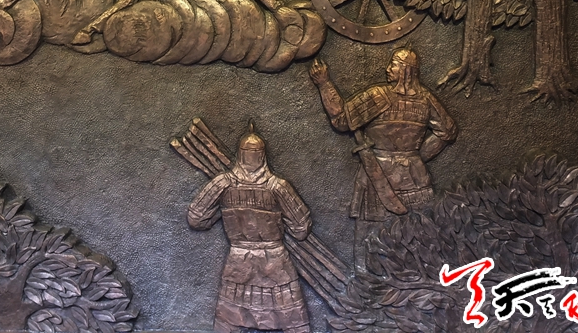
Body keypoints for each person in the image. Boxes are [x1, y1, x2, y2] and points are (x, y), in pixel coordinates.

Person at [309, 49, 456, 266]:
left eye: (393, 64)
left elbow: (342, 120)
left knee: (370, 239)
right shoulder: (426, 99)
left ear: (405, 70)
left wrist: (324, 84)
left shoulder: (379, 96)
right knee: (418, 236)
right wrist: (414, 159)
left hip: (377, 176)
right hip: (415, 179)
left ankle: (369, 280)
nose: (388, 69)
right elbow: (447, 131)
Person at [188, 124, 312, 333]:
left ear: (240, 154)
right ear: (263, 155)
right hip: (274, 261)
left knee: (230, 320)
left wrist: (222, 213)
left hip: (239, 261)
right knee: (291, 320)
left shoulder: (223, 184)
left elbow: (196, 218)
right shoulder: (278, 186)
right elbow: (301, 228)